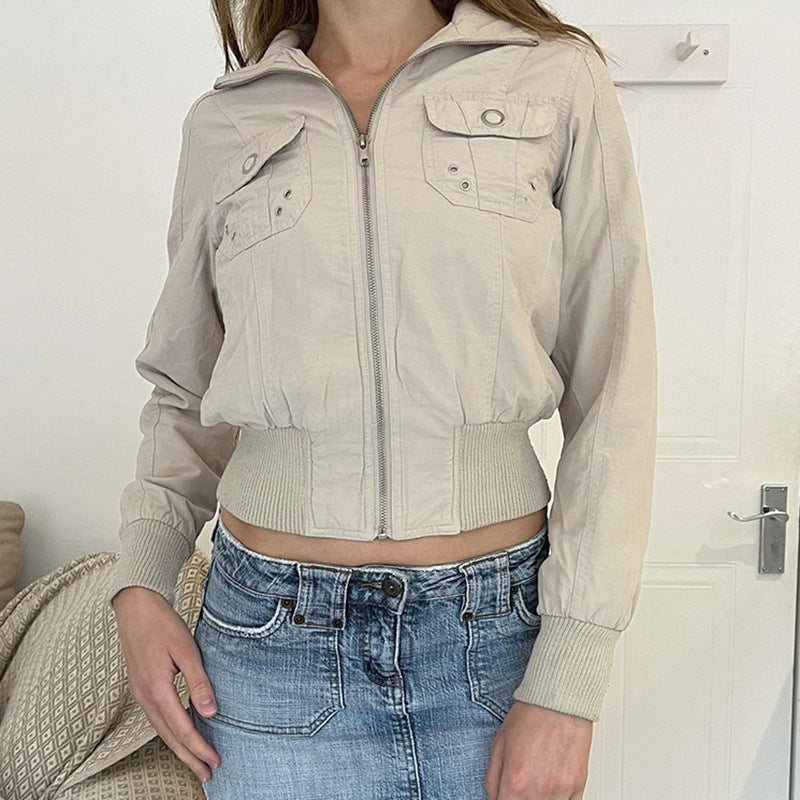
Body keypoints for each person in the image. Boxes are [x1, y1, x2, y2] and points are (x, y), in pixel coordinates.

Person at [108, 0, 658, 797]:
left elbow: (616, 387)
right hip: (269, 652)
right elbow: (184, 390)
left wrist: (568, 680)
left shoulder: (555, 78)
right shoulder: (228, 120)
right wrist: (140, 582)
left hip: (491, 644)